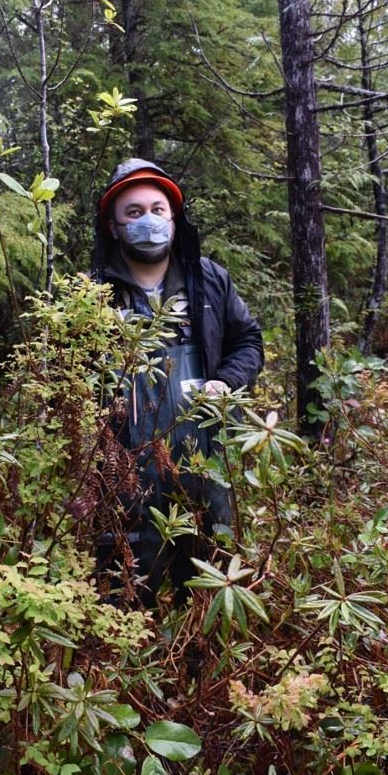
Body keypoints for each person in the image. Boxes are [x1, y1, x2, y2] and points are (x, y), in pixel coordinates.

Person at [91, 158, 264, 605]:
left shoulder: (209, 281)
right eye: (133, 212)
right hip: (127, 472)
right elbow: (68, 388)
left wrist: (227, 380)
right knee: (125, 591)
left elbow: (248, 340)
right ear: (113, 226)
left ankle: (201, 664)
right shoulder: (92, 295)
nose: (147, 220)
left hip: (206, 462)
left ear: (173, 217)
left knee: (211, 580)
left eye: (157, 209)